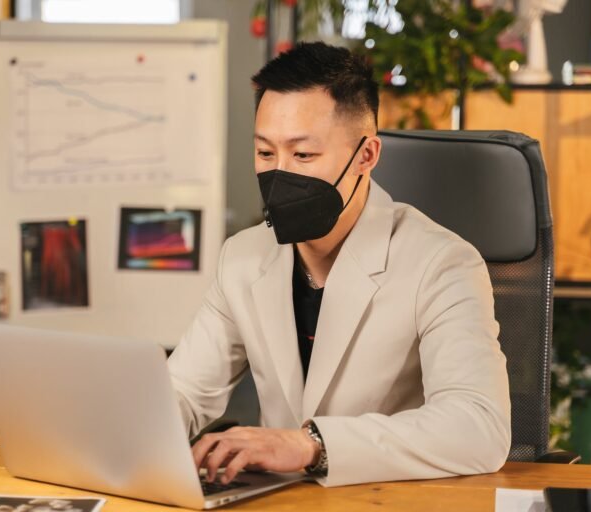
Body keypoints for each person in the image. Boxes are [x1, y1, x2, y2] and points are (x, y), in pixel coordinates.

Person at [167, 42, 511, 488]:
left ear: (366, 156)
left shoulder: (442, 263)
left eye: (303, 155)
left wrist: (312, 445)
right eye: (266, 153)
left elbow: (478, 426)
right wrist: (126, 430)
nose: (279, 173)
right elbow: (185, 392)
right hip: (281, 501)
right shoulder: (242, 257)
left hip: (388, 499)